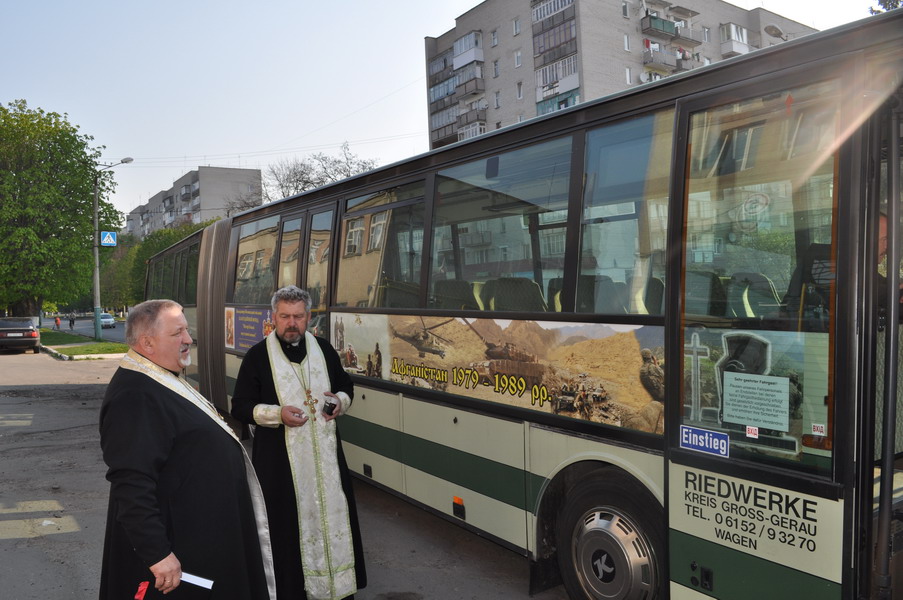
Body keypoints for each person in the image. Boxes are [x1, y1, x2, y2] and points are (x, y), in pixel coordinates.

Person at [99, 299, 276, 600]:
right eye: (177, 333)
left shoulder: (159, 376)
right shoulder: (134, 394)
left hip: (201, 536)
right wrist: (157, 553)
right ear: (147, 343)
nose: (188, 339)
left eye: (186, 330)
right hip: (180, 548)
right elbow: (131, 483)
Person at [231, 286, 366, 600]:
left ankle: (337, 591)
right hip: (280, 466)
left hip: (328, 462)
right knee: (288, 531)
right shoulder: (257, 356)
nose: (292, 323)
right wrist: (277, 414)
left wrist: (340, 401)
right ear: (273, 317)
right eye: (285, 316)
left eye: (298, 316)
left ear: (308, 317)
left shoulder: (324, 349)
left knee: (334, 521)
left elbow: (346, 386)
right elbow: (240, 406)